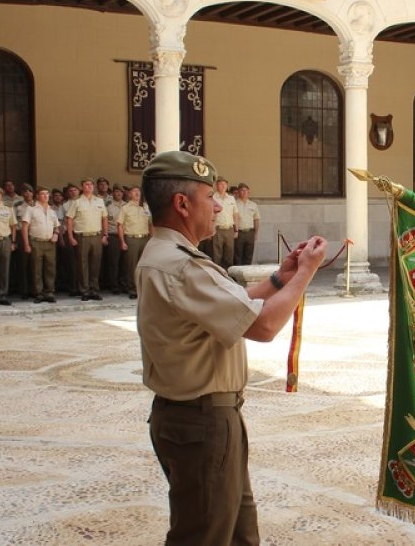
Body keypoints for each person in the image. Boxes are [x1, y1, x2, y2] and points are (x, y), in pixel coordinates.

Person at [135, 151, 327, 545]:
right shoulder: (182, 266)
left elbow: (234, 305)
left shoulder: (170, 257)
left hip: (199, 417)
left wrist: (280, 278)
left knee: (237, 533)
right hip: (202, 421)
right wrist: (306, 272)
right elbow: (263, 324)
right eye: (210, 197)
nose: (219, 205)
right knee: (204, 537)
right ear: (182, 204)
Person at [66, 178, 108, 301]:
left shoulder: (99, 201)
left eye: (91, 184)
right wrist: (70, 236)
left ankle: (94, 289)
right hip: (82, 236)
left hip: (96, 235)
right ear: (82, 187)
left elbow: (104, 218)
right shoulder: (77, 202)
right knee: (82, 264)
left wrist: (105, 235)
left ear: (93, 187)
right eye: (86, 184)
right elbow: (69, 219)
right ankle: (84, 290)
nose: (89, 186)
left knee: (95, 263)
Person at [22, 186, 60, 303]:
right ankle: (38, 293)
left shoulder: (52, 211)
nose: (45, 196)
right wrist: (26, 244)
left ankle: (49, 292)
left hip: (49, 243)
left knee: (50, 268)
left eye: (47, 194)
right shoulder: (31, 209)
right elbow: (24, 227)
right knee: (36, 268)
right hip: (36, 242)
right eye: (42, 194)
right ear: (37, 196)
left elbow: (57, 226)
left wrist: (56, 234)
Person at [117, 186, 151, 299]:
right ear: (129, 194)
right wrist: (122, 241)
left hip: (145, 238)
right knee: (132, 265)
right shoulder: (125, 208)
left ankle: (143, 288)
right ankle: (132, 289)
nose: (137, 193)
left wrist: (152, 238)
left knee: (145, 265)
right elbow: (120, 225)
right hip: (131, 238)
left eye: (138, 191)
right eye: (134, 191)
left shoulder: (146, 207)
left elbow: (151, 224)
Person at [212, 177, 237, 269]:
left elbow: (235, 215)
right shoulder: (213, 197)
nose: (223, 186)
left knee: (229, 255)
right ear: (216, 186)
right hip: (217, 229)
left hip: (229, 229)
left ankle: (228, 276)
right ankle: (217, 275)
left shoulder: (231, 198)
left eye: (225, 184)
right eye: (220, 184)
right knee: (217, 255)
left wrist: (236, 230)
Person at [104, 185, 126, 293]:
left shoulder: (127, 206)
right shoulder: (108, 207)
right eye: (117, 192)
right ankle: (114, 285)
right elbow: (105, 222)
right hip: (113, 236)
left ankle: (124, 284)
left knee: (125, 262)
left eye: (121, 192)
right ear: (112, 193)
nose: (119, 194)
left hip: (126, 236)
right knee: (113, 262)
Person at [233, 182, 260, 266]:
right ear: (238, 192)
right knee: (237, 255)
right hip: (239, 233)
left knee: (248, 255)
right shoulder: (234, 203)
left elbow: (256, 219)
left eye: (246, 190)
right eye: (242, 190)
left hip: (250, 233)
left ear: (248, 192)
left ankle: (247, 274)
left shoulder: (253, 205)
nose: (244, 192)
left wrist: (256, 233)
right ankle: (237, 276)